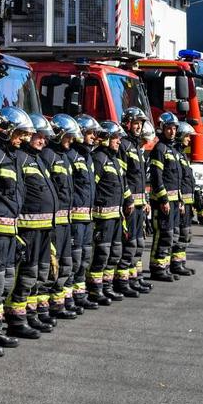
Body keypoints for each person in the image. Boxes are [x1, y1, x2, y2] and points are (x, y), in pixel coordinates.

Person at [0, 107, 35, 342]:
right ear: (7, 131)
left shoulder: (11, 156)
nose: (24, 139)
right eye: (20, 134)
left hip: (10, 233)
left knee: (4, 283)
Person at [11, 110, 57, 333]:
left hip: (43, 228)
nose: (42, 140)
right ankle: (18, 319)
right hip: (28, 228)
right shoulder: (20, 158)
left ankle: (32, 314)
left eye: (44, 137)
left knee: (39, 273)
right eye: (38, 136)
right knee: (26, 274)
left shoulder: (37, 159)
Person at [54, 113, 93, 313]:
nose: (93, 137)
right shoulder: (70, 156)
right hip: (73, 217)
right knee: (72, 259)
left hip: (84, 217)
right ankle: (66, 299)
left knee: (82, 258)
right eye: (90, 133)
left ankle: (78, 294)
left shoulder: (86, 156)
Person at [87, 118, 127, 306]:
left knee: (114, 253)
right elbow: (91, 188)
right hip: (102, 218)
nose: (119, 141)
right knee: (101, 253)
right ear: (105, 139)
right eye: (115, 138)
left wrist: (128, 201)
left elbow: (122, 185)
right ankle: (95, 289)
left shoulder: (115, 160)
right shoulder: (99, 159)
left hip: (117, 216)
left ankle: (107, 286)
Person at [42, 115, 78, 319]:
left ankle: (58, 303)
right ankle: (45, 307)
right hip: (54, 222)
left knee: (65, 263)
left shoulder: (64, 156)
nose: (70, 141)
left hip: (66, 221)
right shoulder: (48, 156)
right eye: (67, 137)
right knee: (51, 267)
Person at [116, 106, 151, 297]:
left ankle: (135, 278)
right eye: (136, 123)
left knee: (138, 243)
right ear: (128, 123)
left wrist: (145, 200)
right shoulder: (124, 146)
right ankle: (122, 281)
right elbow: (122, 177)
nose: (138, 127)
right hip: (129, 206)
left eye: (140, 123)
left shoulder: (137, 146)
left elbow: (142, 179)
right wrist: (128, 199)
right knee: (129, 244)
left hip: (139, 205)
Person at [147, 112, 181, 283]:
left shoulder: (172, 149)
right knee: (162, 234)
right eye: (169, 128)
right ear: (162, 129)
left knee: (171, 235)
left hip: (174, 202)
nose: (172, 132)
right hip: (164, 202)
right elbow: (156, 176)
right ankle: (157, 268)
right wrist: (163, 199)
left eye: (174, 128)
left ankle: (165, 266)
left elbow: (177, 179)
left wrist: (179, 200)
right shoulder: (160, 149)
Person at [173, 121, 198, 278]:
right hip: (181, 202)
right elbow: (177, 180)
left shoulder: (182, 154)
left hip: (188, 202)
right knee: (180, 234)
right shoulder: (176, 153)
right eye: (187, 136)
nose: (189, 139)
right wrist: (181, 201)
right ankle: (175, 264)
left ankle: (180, 262)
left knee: (186, 234)